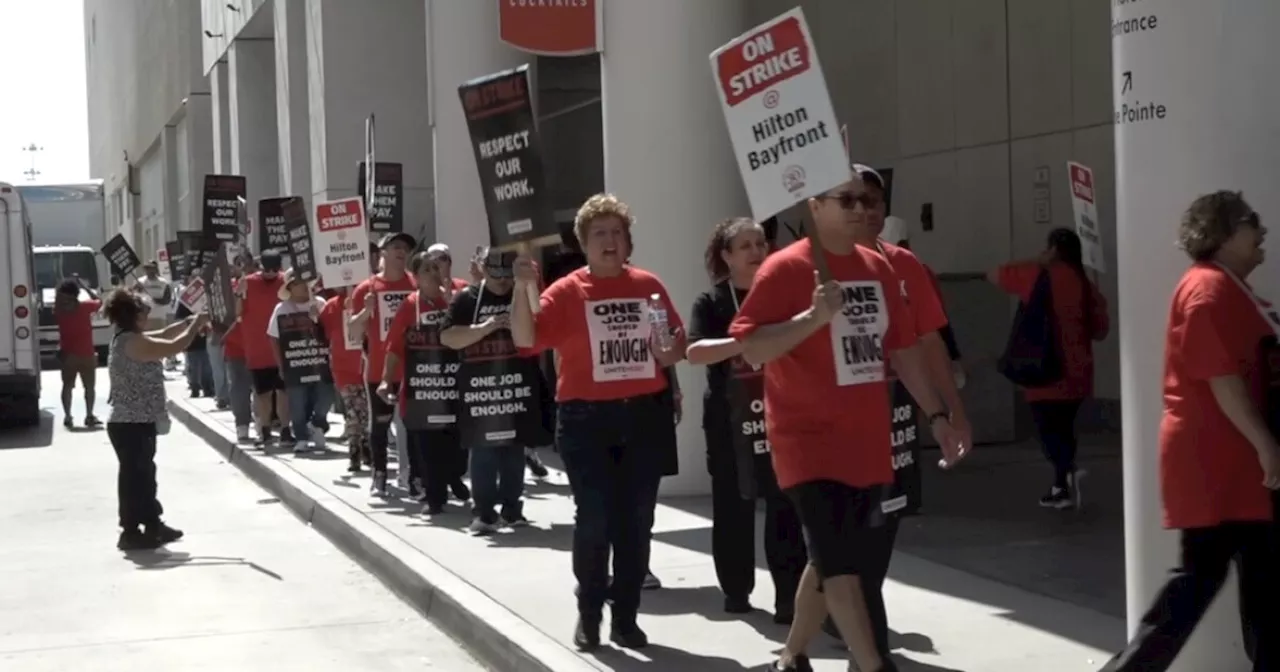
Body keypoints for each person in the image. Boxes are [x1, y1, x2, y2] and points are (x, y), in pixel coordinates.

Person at [729, 176, 967, 672]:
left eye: (868, 200)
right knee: (841, 566)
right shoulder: (785, 268)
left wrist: (938, 417)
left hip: (865, 441)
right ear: (815, 207)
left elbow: (901, 350)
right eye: (848, 200)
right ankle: (874, 665)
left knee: (834, 558)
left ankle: (792, 655)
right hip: (805, 441)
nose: (862, 209)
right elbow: (751, 347)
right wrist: (813, 319)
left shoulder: (878, 267)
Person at [1099, 191, 1279, 671]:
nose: (1262, 230)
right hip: (1217, 464)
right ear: (1219, 233)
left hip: (1235, 466)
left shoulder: (1229, 289)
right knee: (1199, 580)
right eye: (1250, 222)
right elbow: (1219, 376)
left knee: (1254, 582)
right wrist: (1267, 447)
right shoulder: (1208, 290)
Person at [511, 193, 685, 651]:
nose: (610, 242)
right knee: (594, 519)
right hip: (586, 420)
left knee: (637, 522)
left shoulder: (649, 285)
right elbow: (526, 338)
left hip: (644, 415)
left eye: (617, 234)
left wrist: (667, 351)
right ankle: (590, 612)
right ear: (584, 243)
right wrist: (519, 287)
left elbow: (671, 349)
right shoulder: (568, 290)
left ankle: (625, 617)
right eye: (600, 234)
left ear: (629, 243)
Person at [687, 217, 807, 622]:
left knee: (784, 502)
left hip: (780, 411)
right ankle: (736, 589)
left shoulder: (784, 294)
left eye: (761, 243)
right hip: (728, 417)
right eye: (746, 246)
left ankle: (788, 597)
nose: (757, 251)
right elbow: (695, 351)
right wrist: (746, 342)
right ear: (726, 256)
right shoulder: (712, 302)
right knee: (733, 502)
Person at [990, 227, 1109, 508]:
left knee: (1048, 432)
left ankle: (1066, 472)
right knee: (1065, 429)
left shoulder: (1037, 275)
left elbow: (994, 273)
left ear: (1052, 249)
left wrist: (1036, 259)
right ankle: (1061, 486)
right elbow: (1100, 331)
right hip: (1079, 372)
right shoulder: (1085, 284)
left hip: (1045, 371)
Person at [441, 249, 542, 532]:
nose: (501, 282)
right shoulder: (466, 299)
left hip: (517, 387)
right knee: (483, 451)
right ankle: (484, 512)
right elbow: (448, 337)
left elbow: (542, 324)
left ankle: (512, 508)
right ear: (483, 269)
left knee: (514, 449)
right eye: (495, 275)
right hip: (479, 390)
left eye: (506, 276)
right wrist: (485, 328)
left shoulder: (523, 293)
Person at [103, 288, 206, 550]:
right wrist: (195, 326)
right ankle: (130, 531)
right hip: (130, 422)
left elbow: (164, 335)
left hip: (138, 420)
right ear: (132, 316)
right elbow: (174, 346)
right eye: (143, 313)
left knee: (145, 474)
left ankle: (152, 523)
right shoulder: (132, 342)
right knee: (134, 478)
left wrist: (187, 322)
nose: (147, 318)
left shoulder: (131, 337)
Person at [382, 248, 471, 509]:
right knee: (428, 449)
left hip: (455, 390)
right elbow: (395, 346)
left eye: (437, 268)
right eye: (427, 271)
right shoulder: (410, 306)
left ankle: (453, 477)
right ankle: (435, 498)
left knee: (458, 447)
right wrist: (387, 380)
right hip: (422, 393)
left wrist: (450, 302)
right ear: (416, 278)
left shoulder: (460, 297)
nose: (434, 274)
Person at [351, 232, 419, 496]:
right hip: (379, 372)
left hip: (413, 370)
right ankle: (379, 473)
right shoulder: (366, 288)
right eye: (396, 247)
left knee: (412, 426)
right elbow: (353, 331)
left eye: (405, 248)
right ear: (383, 253)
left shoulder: (416, 284)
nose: (402, 252)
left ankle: (412, 475)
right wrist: (365, 312)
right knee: (379, 425)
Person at [267, 269, 332, 454]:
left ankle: (317, 424)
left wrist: (318, 318)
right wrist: (281, 365)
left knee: (326, 394)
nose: (303, 286)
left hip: (320, 362)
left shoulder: (320, 304)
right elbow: (273, 337)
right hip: (294, 364)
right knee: (297, 401)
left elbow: (330, 330)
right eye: (297, 283)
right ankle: (301, 437)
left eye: (305, 282)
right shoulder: (282, 309)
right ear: (290, 288)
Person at [238, 250, 289, 447]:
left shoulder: (286, 281)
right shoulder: (248, 282)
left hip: (282, 348)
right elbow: (238, 312)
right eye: (267, 269)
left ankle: (286, 429)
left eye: (275, 269)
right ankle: (265, 430)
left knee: (284, 392)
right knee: (263, 394)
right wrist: (238, 293)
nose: (271, 273)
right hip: (257, 348)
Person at [318, 285, 371, 472]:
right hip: (343, 368)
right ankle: (355, 451)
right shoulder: (331, 306)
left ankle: (365, 447)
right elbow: (321, 334)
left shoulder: (367, 300)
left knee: (364, 412)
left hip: (366, 365)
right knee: (353, 411)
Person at [54, 277, 103, 428]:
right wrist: (85, 287)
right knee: (89, 387)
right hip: (87, 353)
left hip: (68, 355)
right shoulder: (85, 307)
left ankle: (68, 416)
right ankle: (89, 415)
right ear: (76, 293)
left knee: (67, 386)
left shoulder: (58, 311)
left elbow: (58, 302)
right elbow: (100, 302)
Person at [174, 273, 216, 399]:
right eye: (193, 278)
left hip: (206, 335)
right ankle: (194, 388)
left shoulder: (209, 295)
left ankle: (208, 387)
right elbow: (179, 318)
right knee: (193, 364)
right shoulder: (184, 300)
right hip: (191, 336)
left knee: (206, 364)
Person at [133, 261, 172, 332]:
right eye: (146, 268)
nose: (148, 270)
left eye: (151, 268)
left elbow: (168, 300)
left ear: (156, 269)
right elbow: (133, 297)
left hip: (159, 317)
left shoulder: (164, 282)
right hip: (144, 318)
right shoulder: (139, 282)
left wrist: (155, 300)